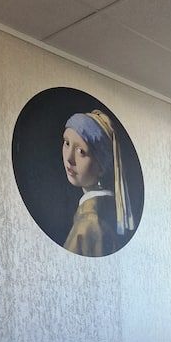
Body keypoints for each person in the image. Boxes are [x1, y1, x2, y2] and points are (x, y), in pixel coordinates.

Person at [61, 109, 135, 257]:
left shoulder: (89, 223)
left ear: (101, 166)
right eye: (67, 143)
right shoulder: (104, 209)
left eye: (81, 151)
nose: (69, 158)